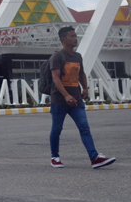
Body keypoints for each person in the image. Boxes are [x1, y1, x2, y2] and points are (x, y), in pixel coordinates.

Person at [49, 26, 115, 169]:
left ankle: (94, 158)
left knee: (84, 128)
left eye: (75, 36)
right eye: (72, 36)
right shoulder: (57, 56)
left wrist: (85, 88)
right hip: (60, 101)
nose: (75, 39)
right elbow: (55, 78)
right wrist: (66, 95)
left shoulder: (77, 56)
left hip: (76, 100)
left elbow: (81, 74)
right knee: (56, 129)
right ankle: (55, 157)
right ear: (63, 39)